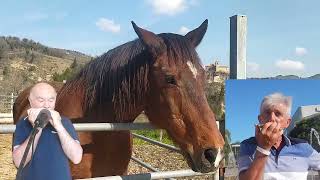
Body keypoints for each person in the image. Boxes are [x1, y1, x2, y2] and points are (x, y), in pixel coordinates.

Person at [238, 92, 320, 180]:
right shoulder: (248, 145)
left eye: (277, 114)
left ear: (287, 122)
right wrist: (263, 148)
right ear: (260, 119)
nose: (272, 118)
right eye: (267, 113)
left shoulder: (302, 147)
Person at [12, 82, 83, 180]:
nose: (46, 105)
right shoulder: (23, 124)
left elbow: (76, 158)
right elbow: (19, 162)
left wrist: (59, 126)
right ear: (30, 101)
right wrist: (37, 128)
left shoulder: (65, 123)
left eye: (51, 100)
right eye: (41, 100)